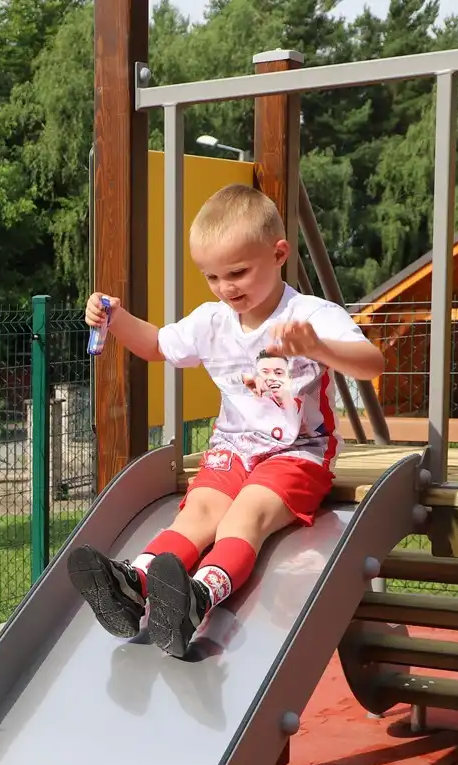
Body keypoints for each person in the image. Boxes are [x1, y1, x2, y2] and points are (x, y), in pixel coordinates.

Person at [68, 183, 385, 658]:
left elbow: (371, 363)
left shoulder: (309, 315)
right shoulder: (212, 320)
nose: (225, 288)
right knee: (199, 513)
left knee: (245, 514)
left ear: (279, 254)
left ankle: (197, 597)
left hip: (296, 453)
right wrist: (117, 318)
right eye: (212, 277)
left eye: (238, 272)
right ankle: (136, 584)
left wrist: (318, 347)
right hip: (232, 449)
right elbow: (157, 345)